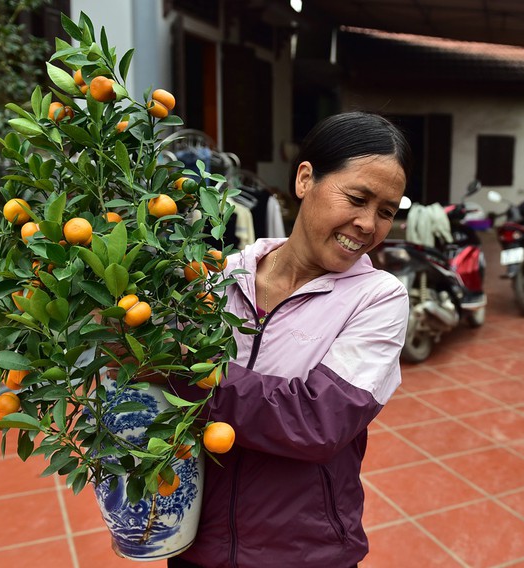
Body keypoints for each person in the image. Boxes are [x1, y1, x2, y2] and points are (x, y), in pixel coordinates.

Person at [165, 111, 413, 568]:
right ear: (304, 179)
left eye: (386, 212)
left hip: (304, 553)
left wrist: (176, 371)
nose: (367, 223)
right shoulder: (220, 276)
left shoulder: (378, 300)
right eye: (357, 198)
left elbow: (318, 422)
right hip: (195, 543)